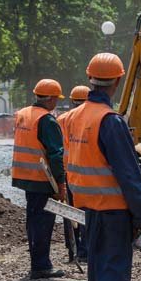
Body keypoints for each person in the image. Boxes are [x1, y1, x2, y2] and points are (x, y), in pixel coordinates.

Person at [65, 53, 141, 281]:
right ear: (117, 81)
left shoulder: (75, 116)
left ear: (90, 78)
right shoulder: (109, 121)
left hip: (90, 211)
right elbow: (130, 176)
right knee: (114, 279)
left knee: (99, 278)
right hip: (115, 213)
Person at [11, 79, 67, 280]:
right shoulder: (47, 120)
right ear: (51, 99)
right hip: (42, 179)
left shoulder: (23, 114)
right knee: (43, 221)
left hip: (25, 176)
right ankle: (41, 266)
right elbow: (55, 154)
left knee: (34, 220)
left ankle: (38, 262)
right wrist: (61, 184)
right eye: (56, 100)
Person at [57, 85, 91, 262]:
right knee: (84, 211)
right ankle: (85, 251)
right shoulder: (89, 119)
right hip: (84, 174)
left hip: (66, 172)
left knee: (69, 211)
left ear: (71, 101)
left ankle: (72, 249)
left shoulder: (61, 119)